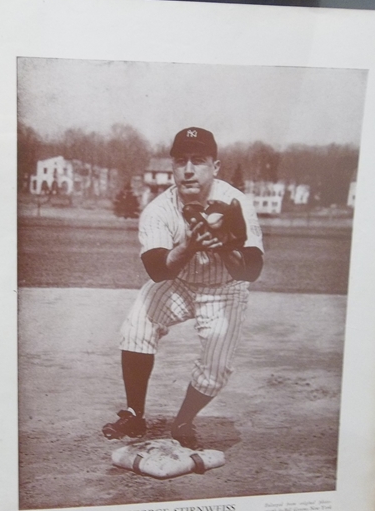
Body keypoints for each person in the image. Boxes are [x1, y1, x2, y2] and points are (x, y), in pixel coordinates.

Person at [102, 126, 264, 449]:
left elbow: (253, 270)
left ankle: (184, 420)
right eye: (180, 161)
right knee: (137, 324)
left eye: (199, 160)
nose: (188, 170)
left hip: (224, 290)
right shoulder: (158, 210)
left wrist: (224, 249)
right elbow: (157, 270)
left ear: (215, 167)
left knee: (216, 365)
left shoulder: (237, 203)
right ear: (172, 166)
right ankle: (134, 415)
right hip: (178, 283)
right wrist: (190, 246)